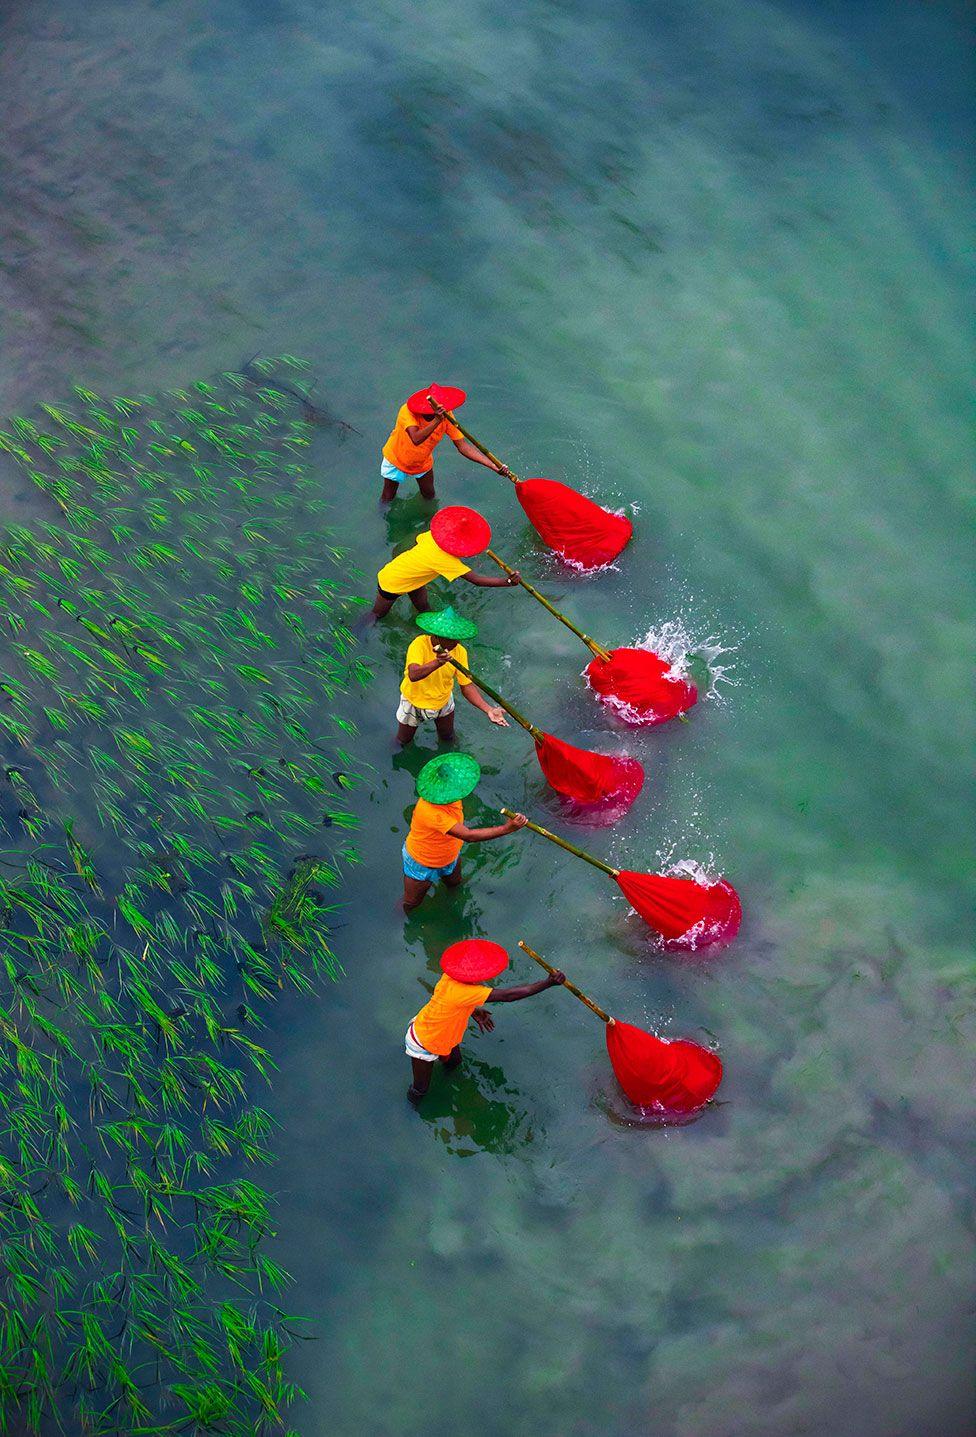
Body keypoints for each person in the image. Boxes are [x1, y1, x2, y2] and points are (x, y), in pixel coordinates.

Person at [406, 939, 565, 1103]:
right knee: (420, 1089)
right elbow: (508, 996)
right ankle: (411, 1110)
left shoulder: (449, 977)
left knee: (455, 1063)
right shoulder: (465, 991)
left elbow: (450, 1002)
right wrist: (548, 983)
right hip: (424, 1041)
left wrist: (473, 1010)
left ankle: (449, 1086)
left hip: (440, 1032)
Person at [402, 752, 526, 912]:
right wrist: (507, 828)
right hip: (421, 862)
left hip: (449, 856)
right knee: (412, 902)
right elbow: (469, 836)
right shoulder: (431, 812)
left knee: (455, 884)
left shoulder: (449, 797)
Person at [372, 504, 519, 619]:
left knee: (423, 607)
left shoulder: (432, 536)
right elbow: (477, 580)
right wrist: (507, 582)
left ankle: (430, 629)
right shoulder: (446, 561)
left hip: (411, 576)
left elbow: (419, 540)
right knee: (378, 614)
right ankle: (358, 631)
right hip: (391, 582)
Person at [380, 383, 510, 502]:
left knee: (430, 495)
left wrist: (492, 465)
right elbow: (416, 439)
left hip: (422, 461)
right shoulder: (407, 411)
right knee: (388, 496)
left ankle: (429, 519)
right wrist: (437, 420)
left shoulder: (446, 415)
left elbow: (462, 446)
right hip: (396, 459)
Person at [397, 606, 508, 746]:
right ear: (437, 636)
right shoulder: (419, 644)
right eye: (452, 639)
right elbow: (413, 674)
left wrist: (489, 710)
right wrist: (438, 662)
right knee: (403, 741)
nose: (457, 642)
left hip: (443, 700)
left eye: (458, 638)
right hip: (414, 701)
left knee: (448, 737)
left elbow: (466, 686)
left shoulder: (459, 651)